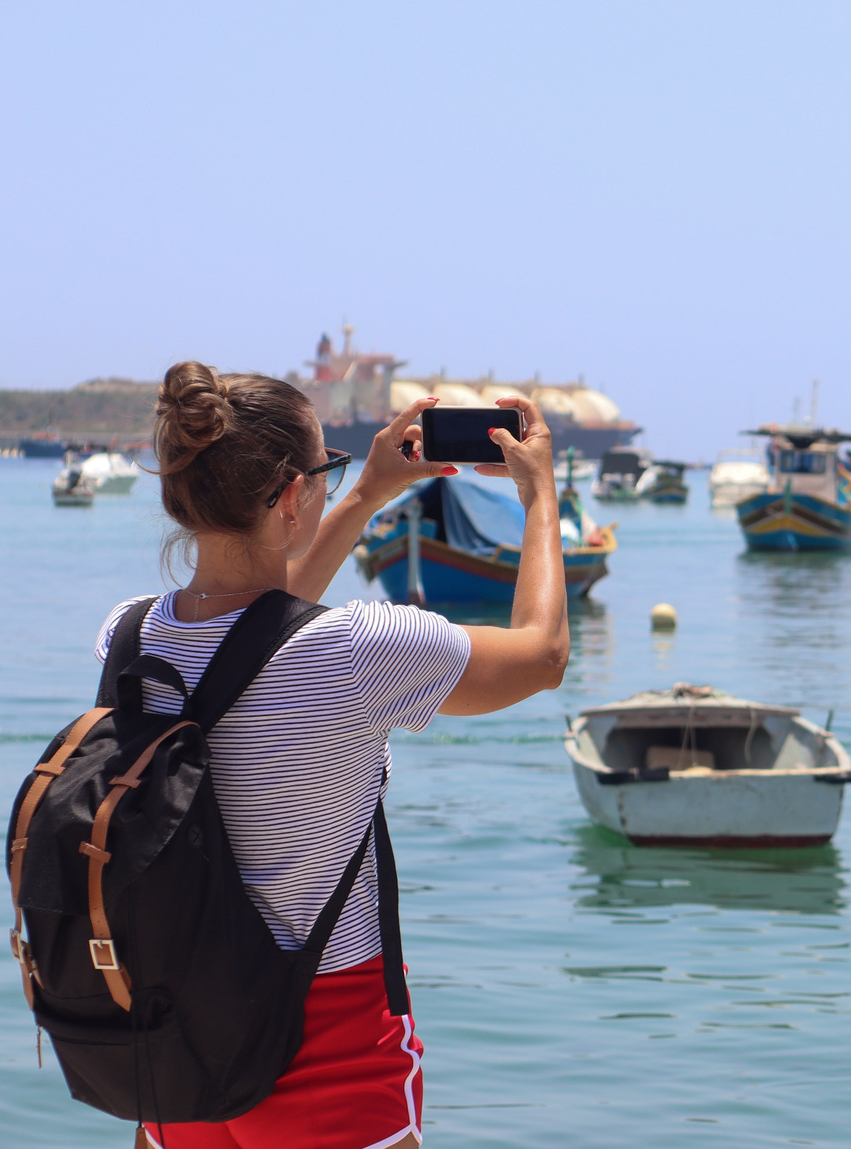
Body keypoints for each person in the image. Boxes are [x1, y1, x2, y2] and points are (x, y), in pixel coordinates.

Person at [125, 363, 568, 1149]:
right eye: (325, 472)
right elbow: (541, 656)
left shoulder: (130, 638)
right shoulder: (362, 649)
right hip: (326, 1031)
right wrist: (540, 499)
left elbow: (257, 628)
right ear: (293, 497)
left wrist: (366, 491)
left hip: (176, 1041)